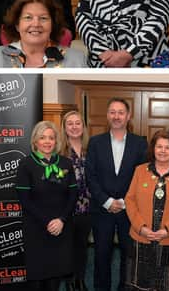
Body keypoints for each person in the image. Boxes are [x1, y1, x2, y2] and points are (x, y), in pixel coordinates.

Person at [85, 98, 147, 291]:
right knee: (102, 256)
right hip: (102, 210)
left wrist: (124, 201)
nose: (117, 116)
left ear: (128, 116)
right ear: (107, 116)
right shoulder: (95, 142)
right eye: (112, 112)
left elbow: (142, 177)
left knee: (129, 257)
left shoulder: (140, 143)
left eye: (121, 112)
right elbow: (91, 176)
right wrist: (107, 201)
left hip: (130, 211)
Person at [124, 130, 169, 291]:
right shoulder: (140, 171)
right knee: (140, 284)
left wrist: (167, 230)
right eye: (159, 146)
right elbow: (130, 200)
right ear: (153, 149)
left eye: (167, 147)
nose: (163, 151)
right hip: (142, 237)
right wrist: (141, 227)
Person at [16, 121, 78, 291]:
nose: (47, 141)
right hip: (36, 228)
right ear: (35, 141)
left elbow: (73, 194)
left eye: (51, 137)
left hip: (61, 227)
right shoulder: (26, 164)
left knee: (55, 277)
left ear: (56, 141)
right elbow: (25, 200)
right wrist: (47, 222)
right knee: (37, 278)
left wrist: (61, 220)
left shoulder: (65, 163)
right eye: (42, 137)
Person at [0, 0, 87, 68]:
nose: (36, 24)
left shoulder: (76, 59)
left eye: (43, 18)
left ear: (53, 24)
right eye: (28, 17)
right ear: (17, 24)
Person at [59, 111, 91, 291]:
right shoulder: (58, 151)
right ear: (64, 128)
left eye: (77, 123)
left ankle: (80, 279)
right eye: (69, 123)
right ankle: (70, 281)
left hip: (87, 208)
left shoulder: (91, 148)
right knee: (67, 248)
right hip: (66, 209)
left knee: (82, 247)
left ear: (83, 126)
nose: (74, 127)